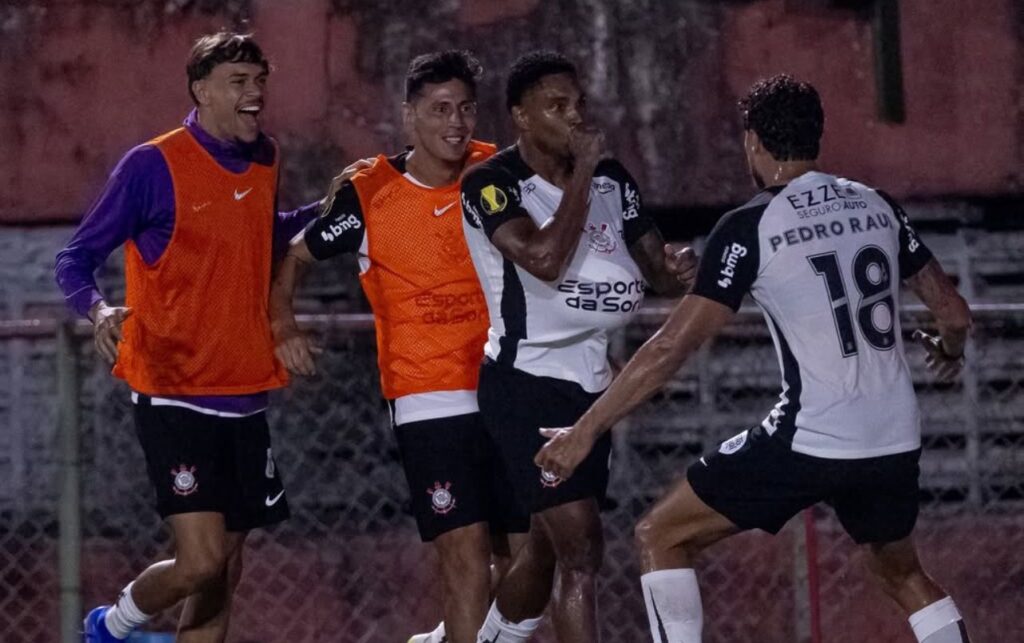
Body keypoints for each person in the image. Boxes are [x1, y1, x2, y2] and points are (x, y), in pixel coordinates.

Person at [535, 74, 974, 643]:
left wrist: (585, 430)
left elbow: (672, 345)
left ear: (753, 142)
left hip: (813, 436)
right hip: (893, 434)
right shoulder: (877, 205)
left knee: (660, 534)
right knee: (903, 572)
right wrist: (950, 352)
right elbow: (955, 314)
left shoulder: (753, 223)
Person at [54, 32, 322, 642]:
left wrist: (323, 209)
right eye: (239, 82)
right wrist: (98, 313)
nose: (255, 94)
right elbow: (74, 259)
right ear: (201, 90)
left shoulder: (266, 156)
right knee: (200, 559)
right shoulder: (152, 164)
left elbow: (259, 232)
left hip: (247, 391)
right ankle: (112, 625)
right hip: (175, 390)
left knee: (224, 571)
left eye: (260, 82)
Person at [269, 50, 530, 643]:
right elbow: (295, 255)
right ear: (409, 116)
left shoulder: (499, 171)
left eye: (465, 108)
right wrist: (282, 327)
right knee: (464, 558)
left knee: (526, 558)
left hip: (509, 384)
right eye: (440, 109)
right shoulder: (370, 193)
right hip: (428, 397)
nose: (456, 122)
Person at [459, 51, 697, 643]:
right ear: (520, 116)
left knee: (545, 546)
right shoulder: (491, 184)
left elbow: (655, 269)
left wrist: (678, 267)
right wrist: (583, 177)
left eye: (578, 104)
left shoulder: (614, 179)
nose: (574, 117)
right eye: (556, 106)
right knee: (583, 547)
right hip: (525, 384)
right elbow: (542, 260)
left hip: (595, 388)